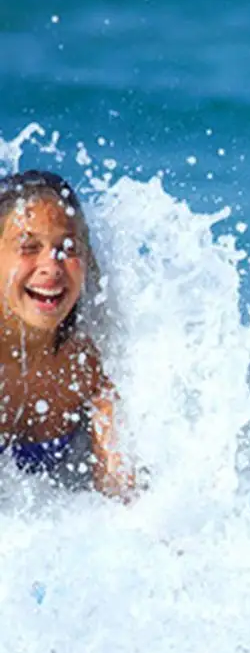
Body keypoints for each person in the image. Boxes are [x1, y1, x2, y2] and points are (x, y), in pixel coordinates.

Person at [0, 169, 137, 499]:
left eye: (69, 248)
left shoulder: (93, 365)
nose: (52, 264)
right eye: (29, 246)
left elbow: (123, 498)